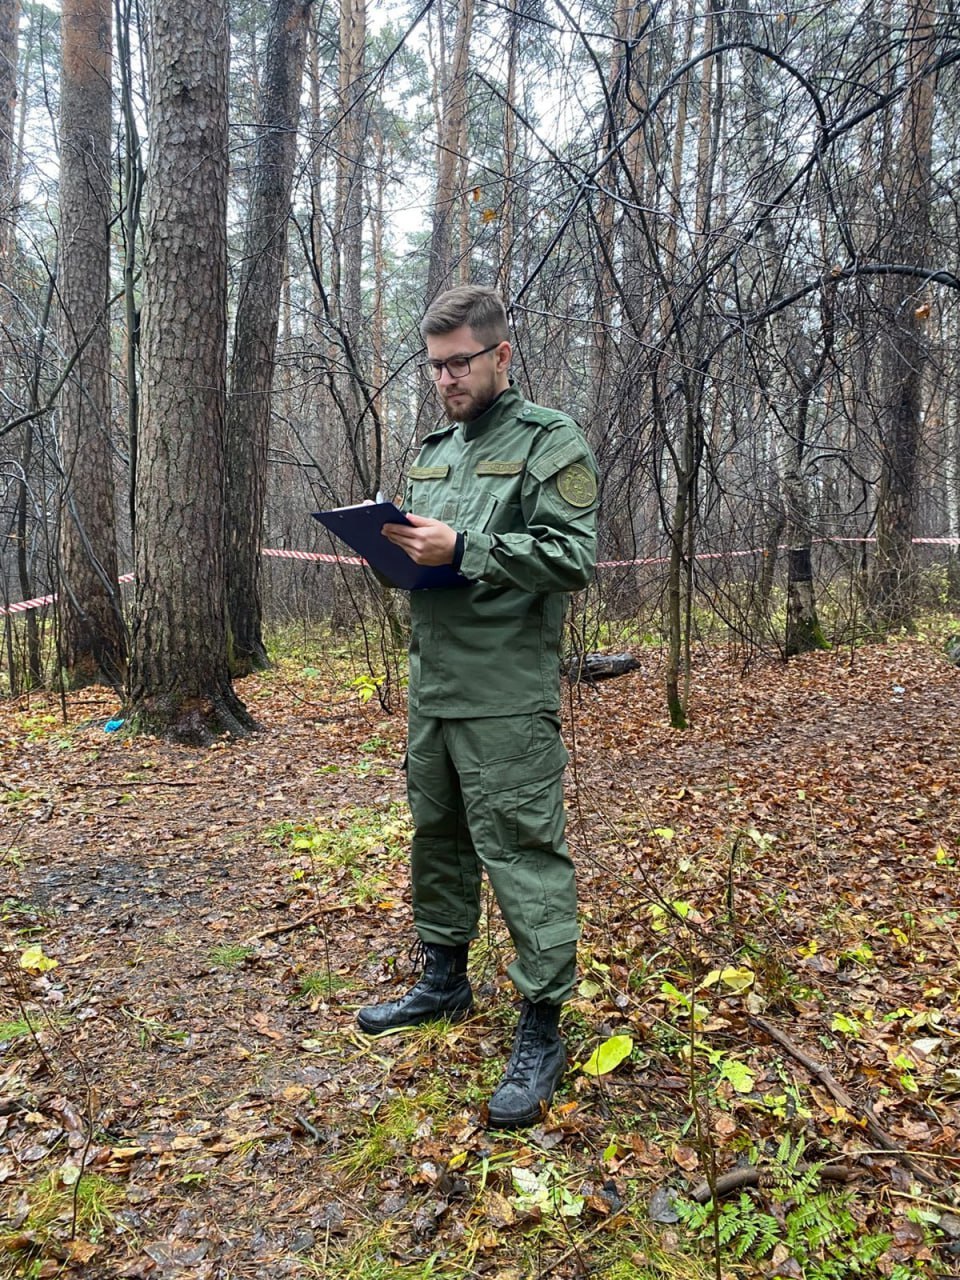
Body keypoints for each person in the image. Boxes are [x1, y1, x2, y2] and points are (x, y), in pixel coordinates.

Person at [356, 285, 598, 1129]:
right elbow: (431, 554)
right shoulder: (438, 449)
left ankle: (542, 1025)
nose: (446, 380)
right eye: (434, 366)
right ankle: (444, 980)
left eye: (459, 363)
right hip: (435, 686)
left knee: (522, 851)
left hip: (504, 693)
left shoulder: (548, 439)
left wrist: (466, 547)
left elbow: (572, 556)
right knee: (438, 836)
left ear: (501, 355)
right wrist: (397, 550)